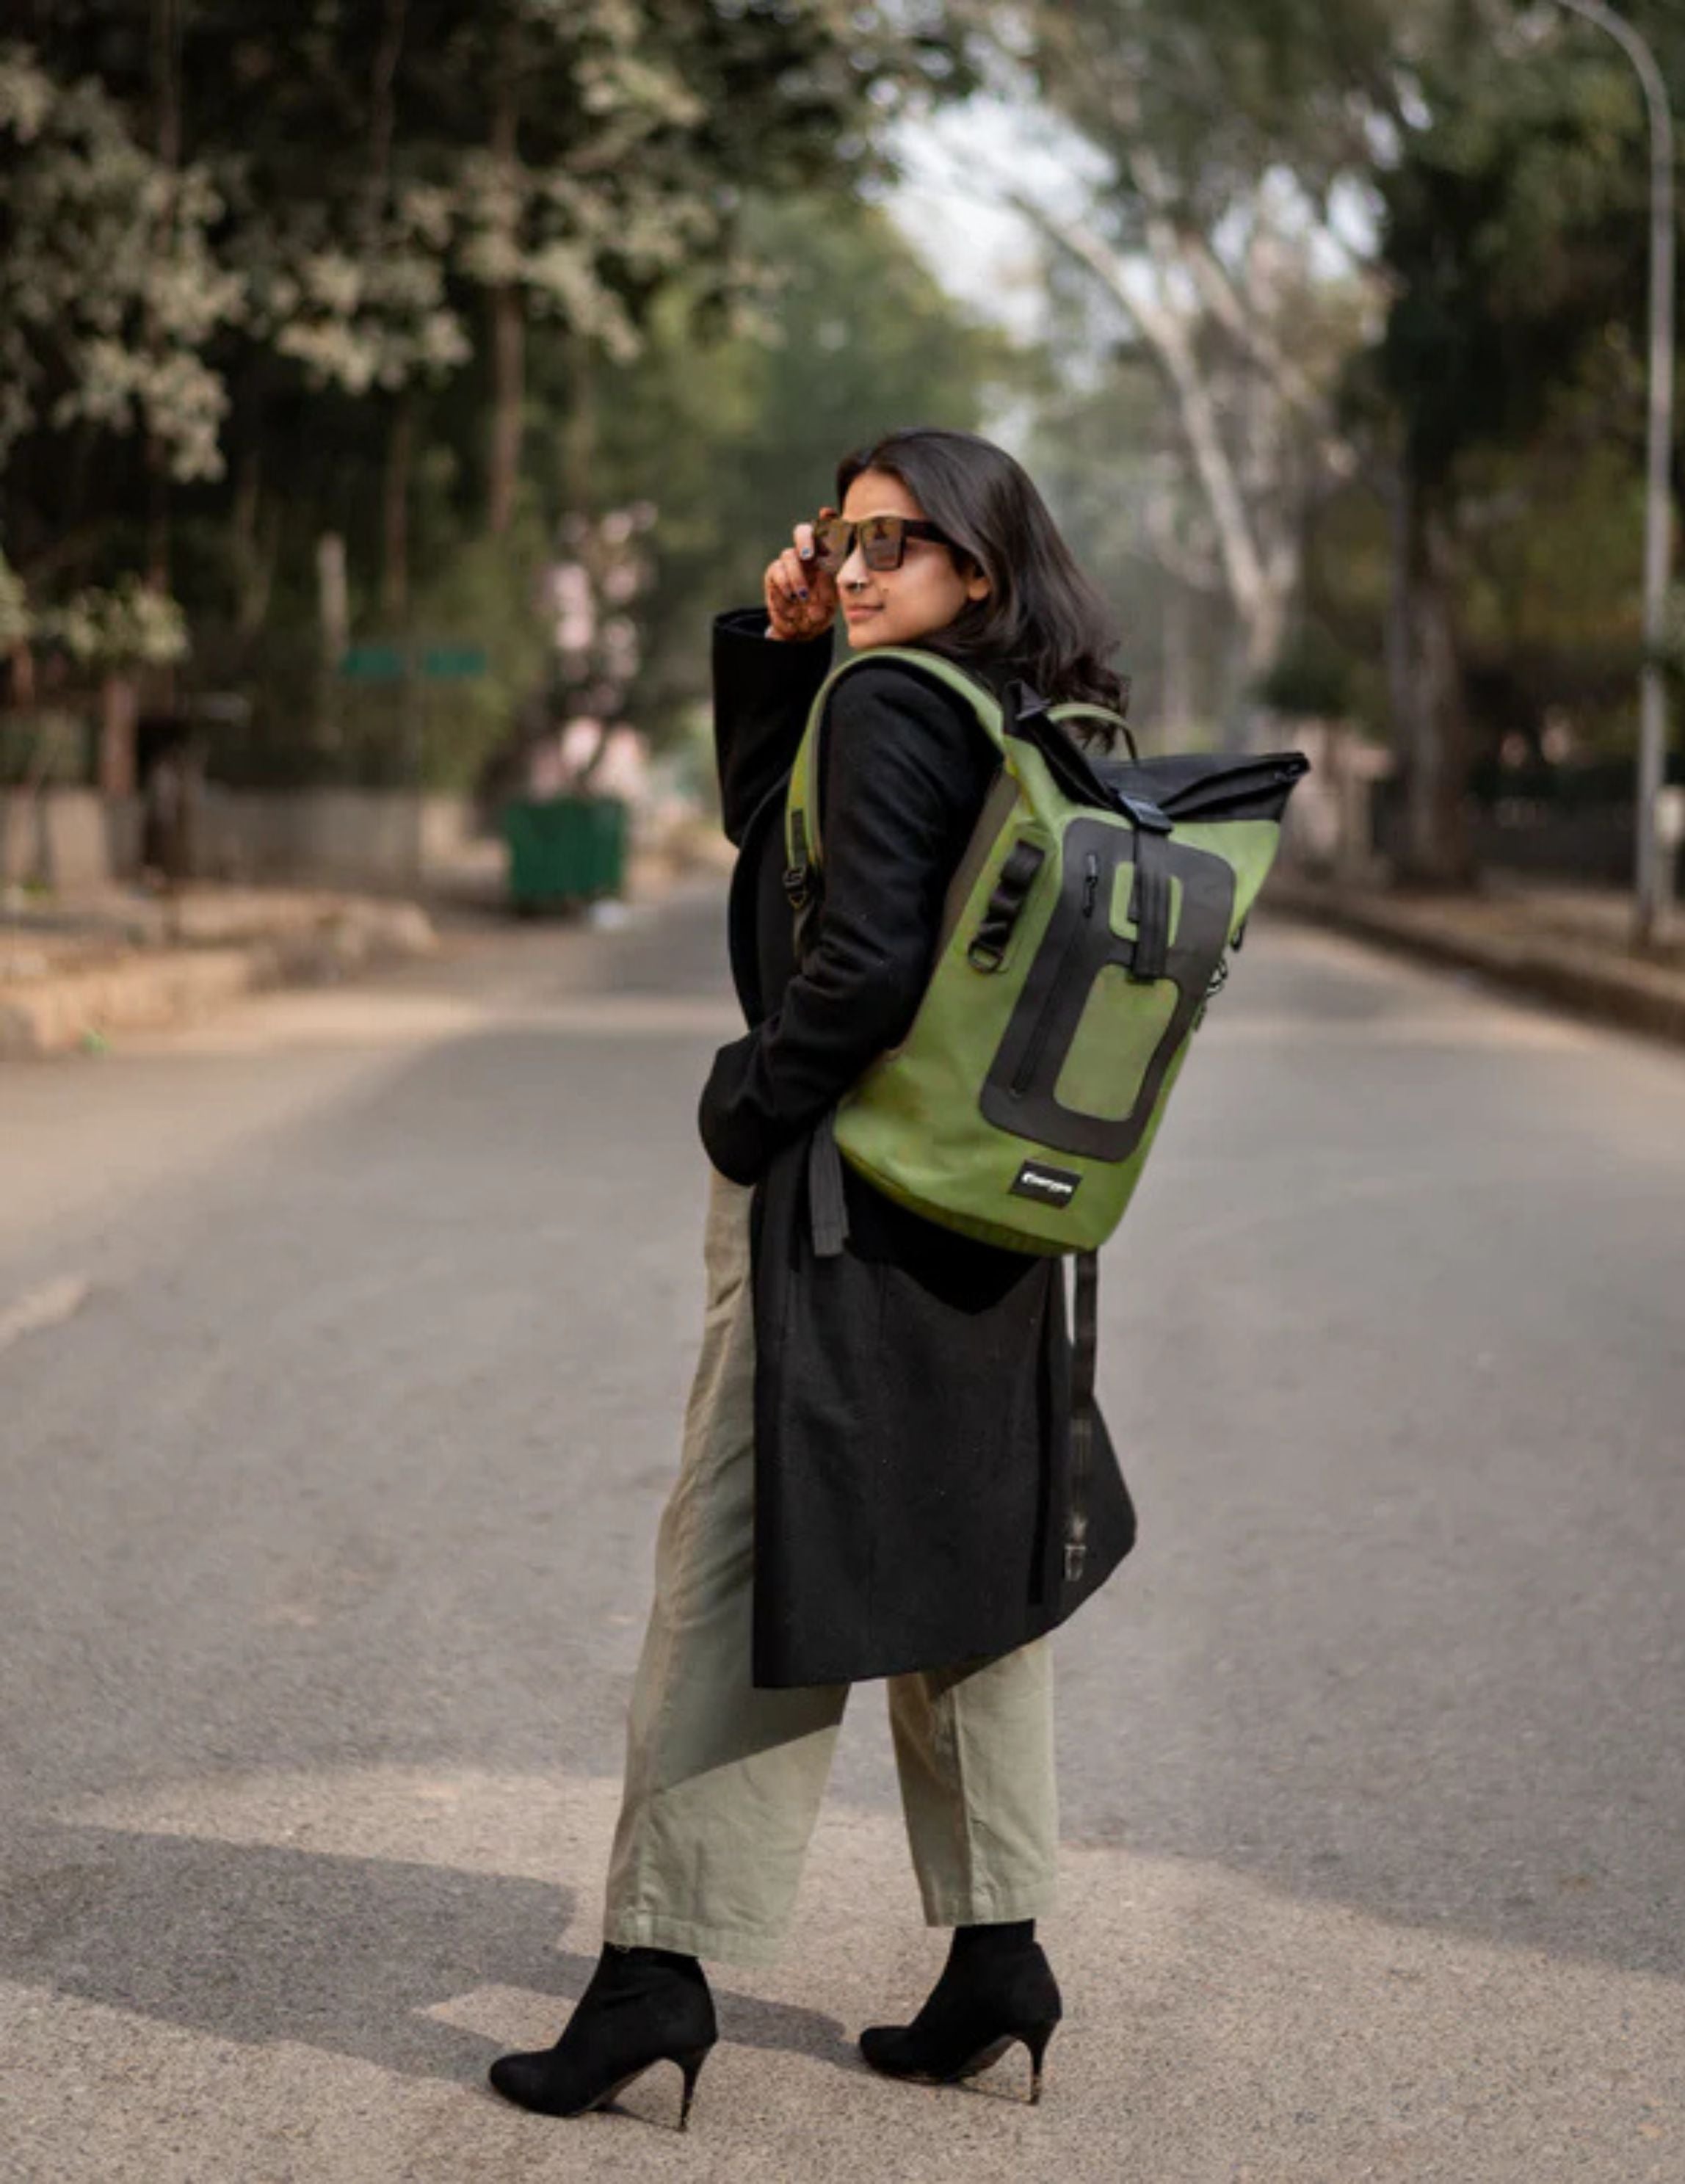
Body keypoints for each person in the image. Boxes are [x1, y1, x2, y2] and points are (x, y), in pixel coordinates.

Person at [488, 427, 1138, 2129]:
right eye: (838, 539)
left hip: (843, 1192)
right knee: (966, 1570)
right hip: (989, 1201)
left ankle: (651, 1977)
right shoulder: (1024, 713)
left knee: (736, 1558)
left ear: (976, 569)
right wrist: (777, 648)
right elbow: (785, 843)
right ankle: (999, 1955)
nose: (852, 571)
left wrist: (743, 1108)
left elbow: (843, 965)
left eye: (893, 545)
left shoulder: (888, 708)